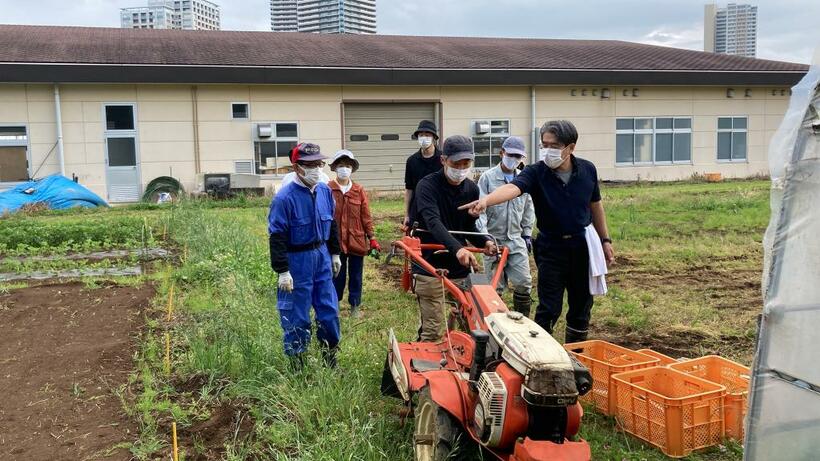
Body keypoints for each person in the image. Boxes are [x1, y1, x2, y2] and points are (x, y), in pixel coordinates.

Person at [461, 120, 614, 344]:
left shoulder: (587, 169)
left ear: (570, 148)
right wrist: (486, 201)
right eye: (544, 145)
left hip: (582, 246)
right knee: (549, 306)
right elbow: (513, 188)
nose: (547, 151)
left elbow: (595, 205)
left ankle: (577, 352)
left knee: (581, 306)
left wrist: (605, 239)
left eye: (554, 146)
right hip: (552, 248)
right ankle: (544, 353)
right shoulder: (537, 172)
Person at [411, 135, 497, 342]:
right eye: (455, 163)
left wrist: (484, 241)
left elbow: (467, 226)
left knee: (472, 329)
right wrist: (458, 249)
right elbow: (433, 222)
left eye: (466, 163)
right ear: (443, 160)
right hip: (431, 266)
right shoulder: (427, 187)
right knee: (433, 331)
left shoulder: (471, 188)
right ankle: (429, 370)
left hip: (461, 267)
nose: (461, 168)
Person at [268, 142, 343, 369]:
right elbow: (277, 236)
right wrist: (282, 270)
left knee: (328, 311)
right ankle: (297, 363)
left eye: (318, 164)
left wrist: (335, 253)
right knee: (296, 314)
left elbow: (332, 224)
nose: (316, 169)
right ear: (297, 167)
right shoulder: (284, 198)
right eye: (309, 165)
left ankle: (330, 358)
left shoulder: (324, 191)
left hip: (321, 256)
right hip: (296, 260)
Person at [476, 136, 535, 317]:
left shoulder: (525, 179)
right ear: (502, 153)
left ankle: (521, 320)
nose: (514, 160)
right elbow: (481, 209)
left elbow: (528, 208)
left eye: (518, 157)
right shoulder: (487, 178)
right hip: (494, 239)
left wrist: (526, 234)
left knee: (524, 282)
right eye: (511, 155)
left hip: (516, 239)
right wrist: (484, 237)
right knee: (494, 286)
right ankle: (495, 323)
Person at [328, 149, 380, 319]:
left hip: (356, 240)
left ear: (352, 169)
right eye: (341, 165)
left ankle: (355, 307)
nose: (344, 169)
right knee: (337, 275)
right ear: (335, 168)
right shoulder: (328, 189)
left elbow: (366, 216)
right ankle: (334, 306)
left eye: (348, 166)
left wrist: (372, 238)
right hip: (336, 242)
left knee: (356, 276)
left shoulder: (358, 190)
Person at [403, 120, 442, 230]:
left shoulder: (443, 159)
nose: (424, 137)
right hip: (417, 209)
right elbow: (409, 190)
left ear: (434, 137)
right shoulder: (412, 161)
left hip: (439, 208)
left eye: (427, 135)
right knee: (418, 242)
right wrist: (407, 214)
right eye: (421, 135)